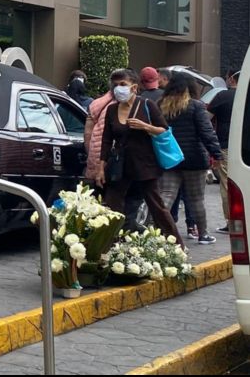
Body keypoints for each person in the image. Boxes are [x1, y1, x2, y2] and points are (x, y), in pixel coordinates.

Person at [98, 69, 184, 246]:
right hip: (120, 165)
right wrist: (100, 167)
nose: (118, 89)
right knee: (111, 205)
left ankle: (177, 245)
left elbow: (163, 130)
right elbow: (106, 139)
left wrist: (145, 126)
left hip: (145, 164)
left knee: (156, 206)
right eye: (115, 85)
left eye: (123, 85)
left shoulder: (147, 105)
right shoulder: (112, 110)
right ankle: (107, 246)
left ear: (134, 87)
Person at [158, 73, 222, 245]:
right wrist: (216, 154)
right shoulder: (196, 106)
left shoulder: (161, 106)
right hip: (194, 159)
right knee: (196, 199)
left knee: (166, 196)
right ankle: (203, 235)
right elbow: (206, 132)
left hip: (169, 159)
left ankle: (156, 231)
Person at [208, 69, 240, 234]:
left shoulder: (222, 96)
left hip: (226, 145)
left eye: (227, 78)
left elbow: (205, 118)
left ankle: (233, 223)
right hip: (244, 147)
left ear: (232, 79)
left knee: (228, 184)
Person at [84, 69, 126, 185]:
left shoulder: (96, 104)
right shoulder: (120, 106)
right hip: (112, 159)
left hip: (95, 156)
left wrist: (90, 154)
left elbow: (87, 133)